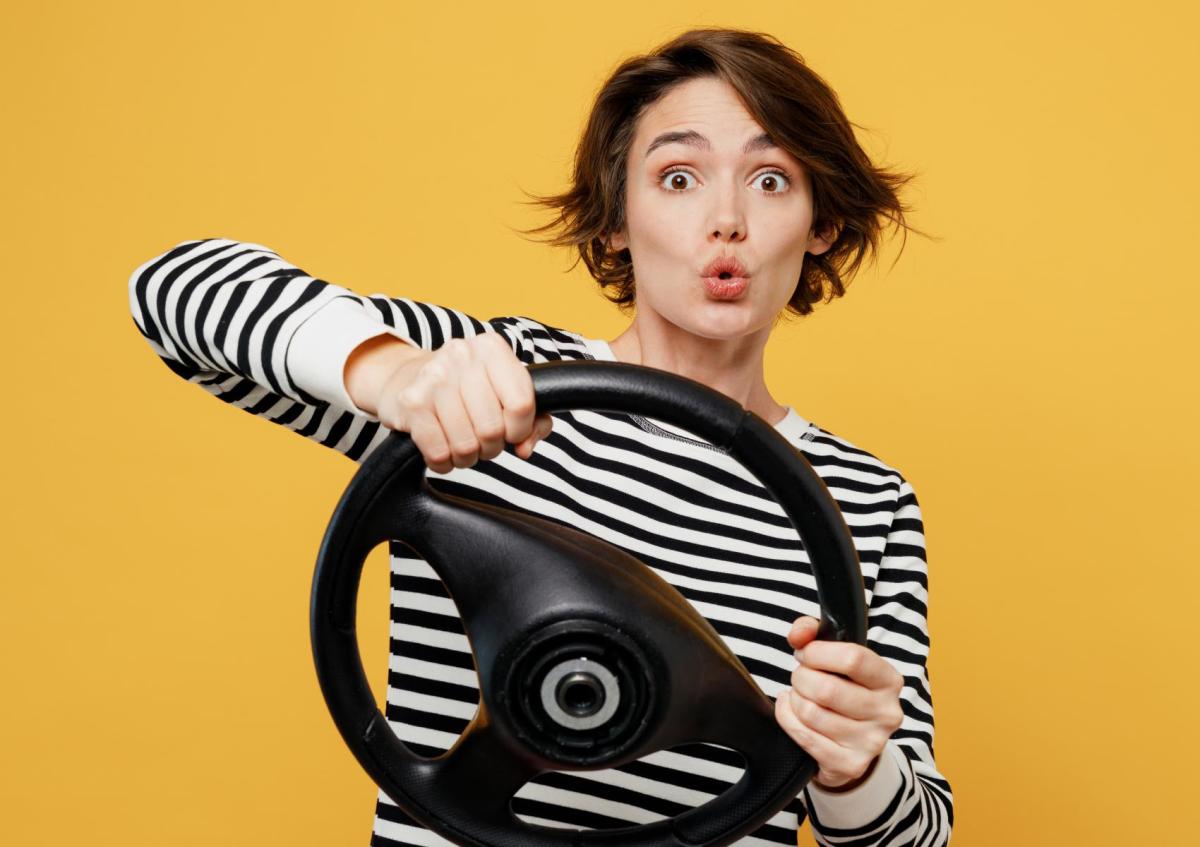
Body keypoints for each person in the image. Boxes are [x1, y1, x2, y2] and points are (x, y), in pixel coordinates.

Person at [128, 27, 952, 847]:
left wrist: (856, 768)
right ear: (614, 222)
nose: (727, 220)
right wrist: (398, 380)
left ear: (823, 227)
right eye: (677, 177)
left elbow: (918, 838)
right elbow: (174, 289)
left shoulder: (867, 499)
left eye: (772, 180)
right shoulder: (488, 382)